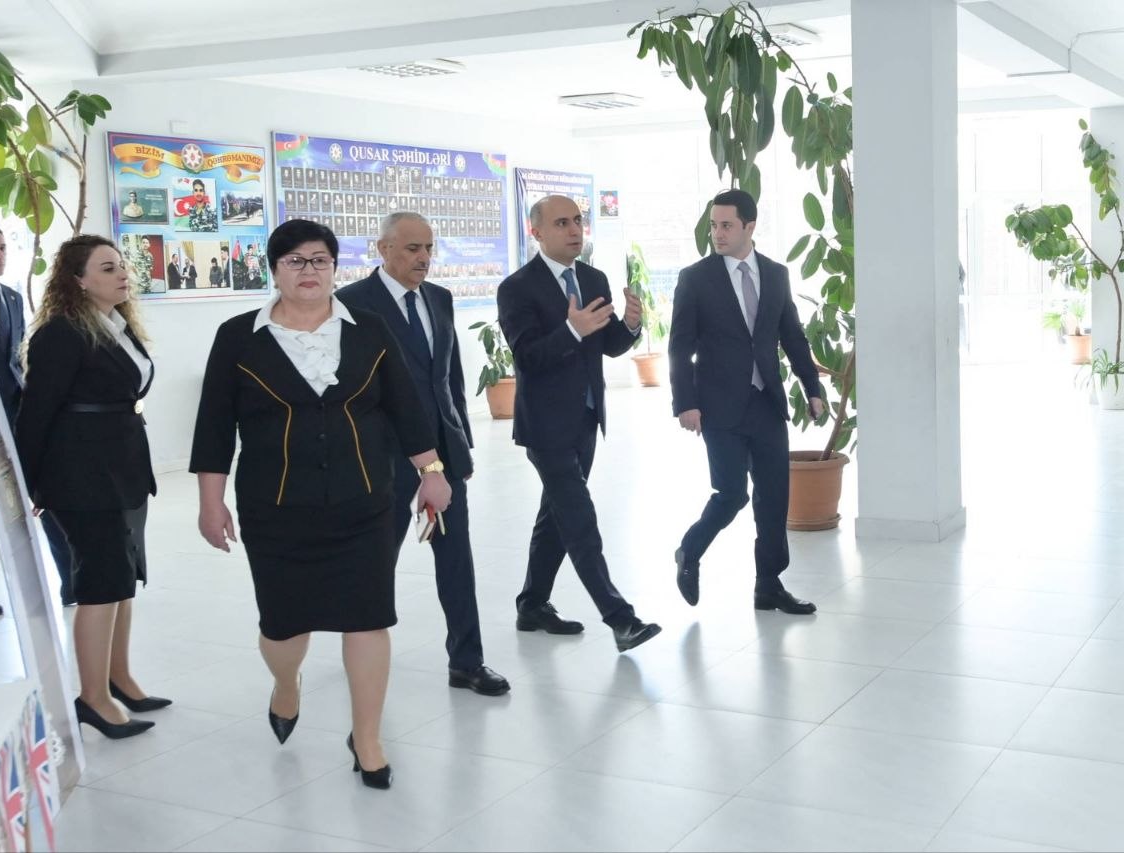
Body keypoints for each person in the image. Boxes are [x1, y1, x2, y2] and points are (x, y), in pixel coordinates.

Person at [190, 219, 449, 789]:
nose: (308, 271)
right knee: (283, 629)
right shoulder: (238, 337)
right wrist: (212, 502)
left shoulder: (369, 329)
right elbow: (213, 428)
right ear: (274, 270)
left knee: (369, 618)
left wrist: (431, 472)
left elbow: (406, 408)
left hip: (364, 501)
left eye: (320, 260)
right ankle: (287, 683)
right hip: (275, 507)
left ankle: (368, 739)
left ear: (335, 268)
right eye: (295, 261)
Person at [336, 212, 509, 697]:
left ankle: (467, 662)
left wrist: (459, 443)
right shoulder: (351, 304)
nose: (424, 258)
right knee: (377, 562)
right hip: (384, 460)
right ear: (383, 249)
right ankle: (359, 648)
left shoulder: (439, 298)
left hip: (442, 459)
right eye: (413, 248)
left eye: (429, 248)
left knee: (455, 558)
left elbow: (448, 378)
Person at [15, 234, 169, 740]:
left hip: (123, 467)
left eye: (121, 265)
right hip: (80, 474)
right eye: (107, 268)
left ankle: (119, 678)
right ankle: (93, 698)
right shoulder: (60, 334)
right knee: (101, 581)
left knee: (123, 578)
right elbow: (35, 414)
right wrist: (30, 483)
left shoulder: (117, 324)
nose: (122, 274)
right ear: (78, 280)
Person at [496, 195, 661, 653]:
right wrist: (571, 330)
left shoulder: (592, 279)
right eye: (562, 223)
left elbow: (607, 345)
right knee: (578, 517)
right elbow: (528, 357)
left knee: (555, 517)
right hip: (545, 425)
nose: (574, 230)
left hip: (586, 417)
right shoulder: (517, 288)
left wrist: (629, 326)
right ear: (536, 232)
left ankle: (532, 605)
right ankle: (621, 619)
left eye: (577, 221)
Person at [669, 189, 825, 615]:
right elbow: (679, 346)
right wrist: (685, 402)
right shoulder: (695, 278)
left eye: (726, 225)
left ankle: (769, 585)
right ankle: (690, 550)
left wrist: (811, 387)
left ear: (749, 226)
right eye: (713, 225)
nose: (717, 233)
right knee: (732, 493)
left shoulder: (775, 274)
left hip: (766, 402)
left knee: (774, 497)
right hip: (717, 405)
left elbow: (792, 335)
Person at [0, 222, 74, 611]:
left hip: (19, 414)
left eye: (2, 247)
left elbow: (16, 361)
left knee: (47, 495)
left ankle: (73, 582)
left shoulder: (10, 297)